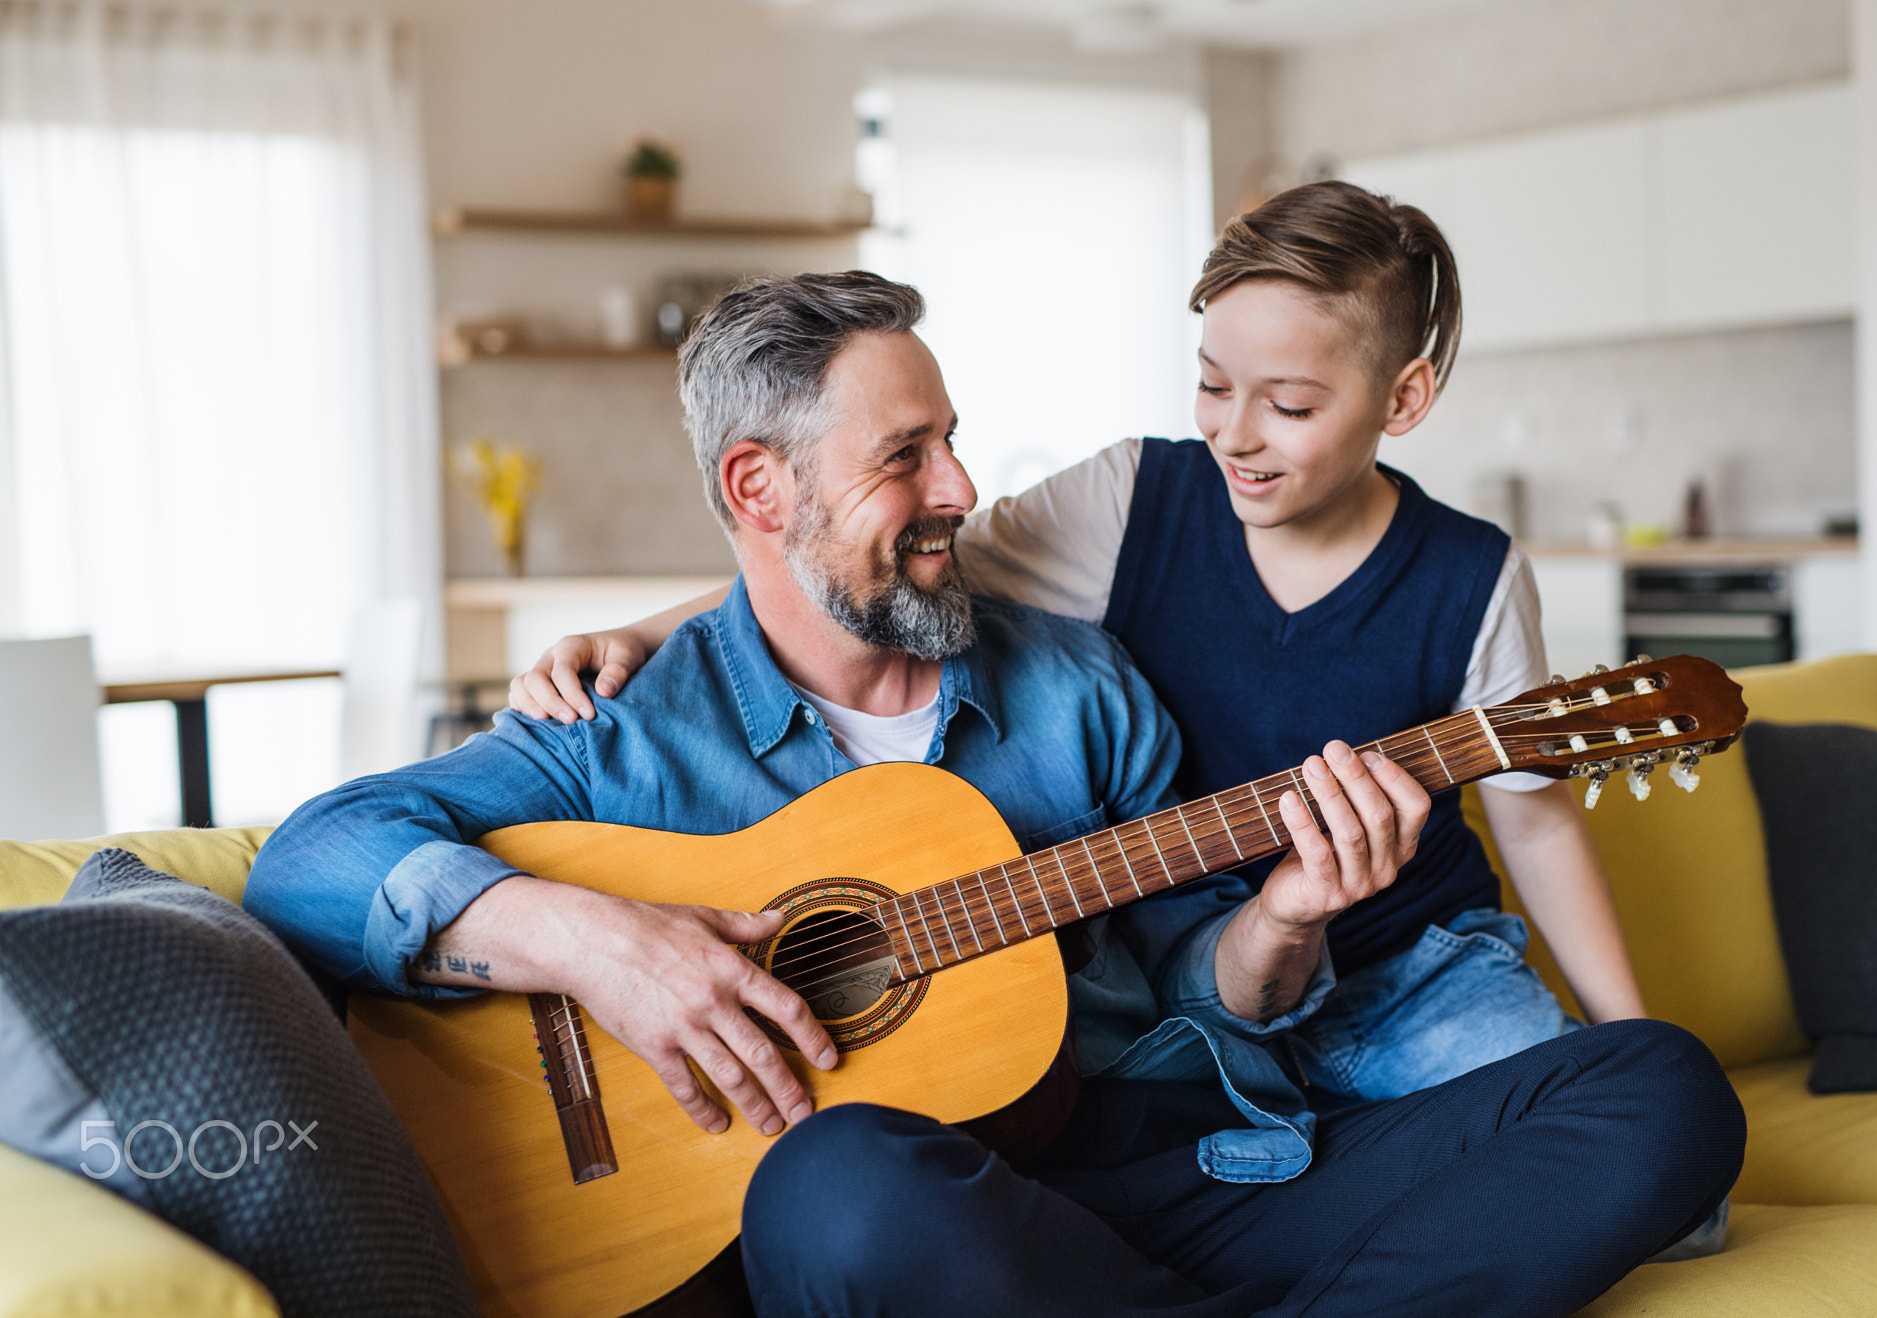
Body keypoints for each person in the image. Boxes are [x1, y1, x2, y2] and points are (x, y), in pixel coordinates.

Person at [247, 271, 1742, 1316]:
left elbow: (1202, 993)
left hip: (1164, 1180)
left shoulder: (1079, 688)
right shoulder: (630, 728)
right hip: (922, 1226)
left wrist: (1286, 915)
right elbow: (310, 861)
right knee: (836, 1182)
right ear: (761, 492)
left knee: (1660, 1091)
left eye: (954, 436)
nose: (962, 485)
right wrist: (600, 942)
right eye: (909, 455)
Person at [510, 181, 1646, 1107]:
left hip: (1413, 971)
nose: (1235, 436)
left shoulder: (1475, 573)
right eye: (1210, 386)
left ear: (1403, 398)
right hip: (1183, 977)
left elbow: (1534, 823)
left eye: (1289, 407)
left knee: (1650, 1140)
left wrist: (1627, 1032)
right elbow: (869, 558)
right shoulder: (1128, 501)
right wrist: (646, 631)